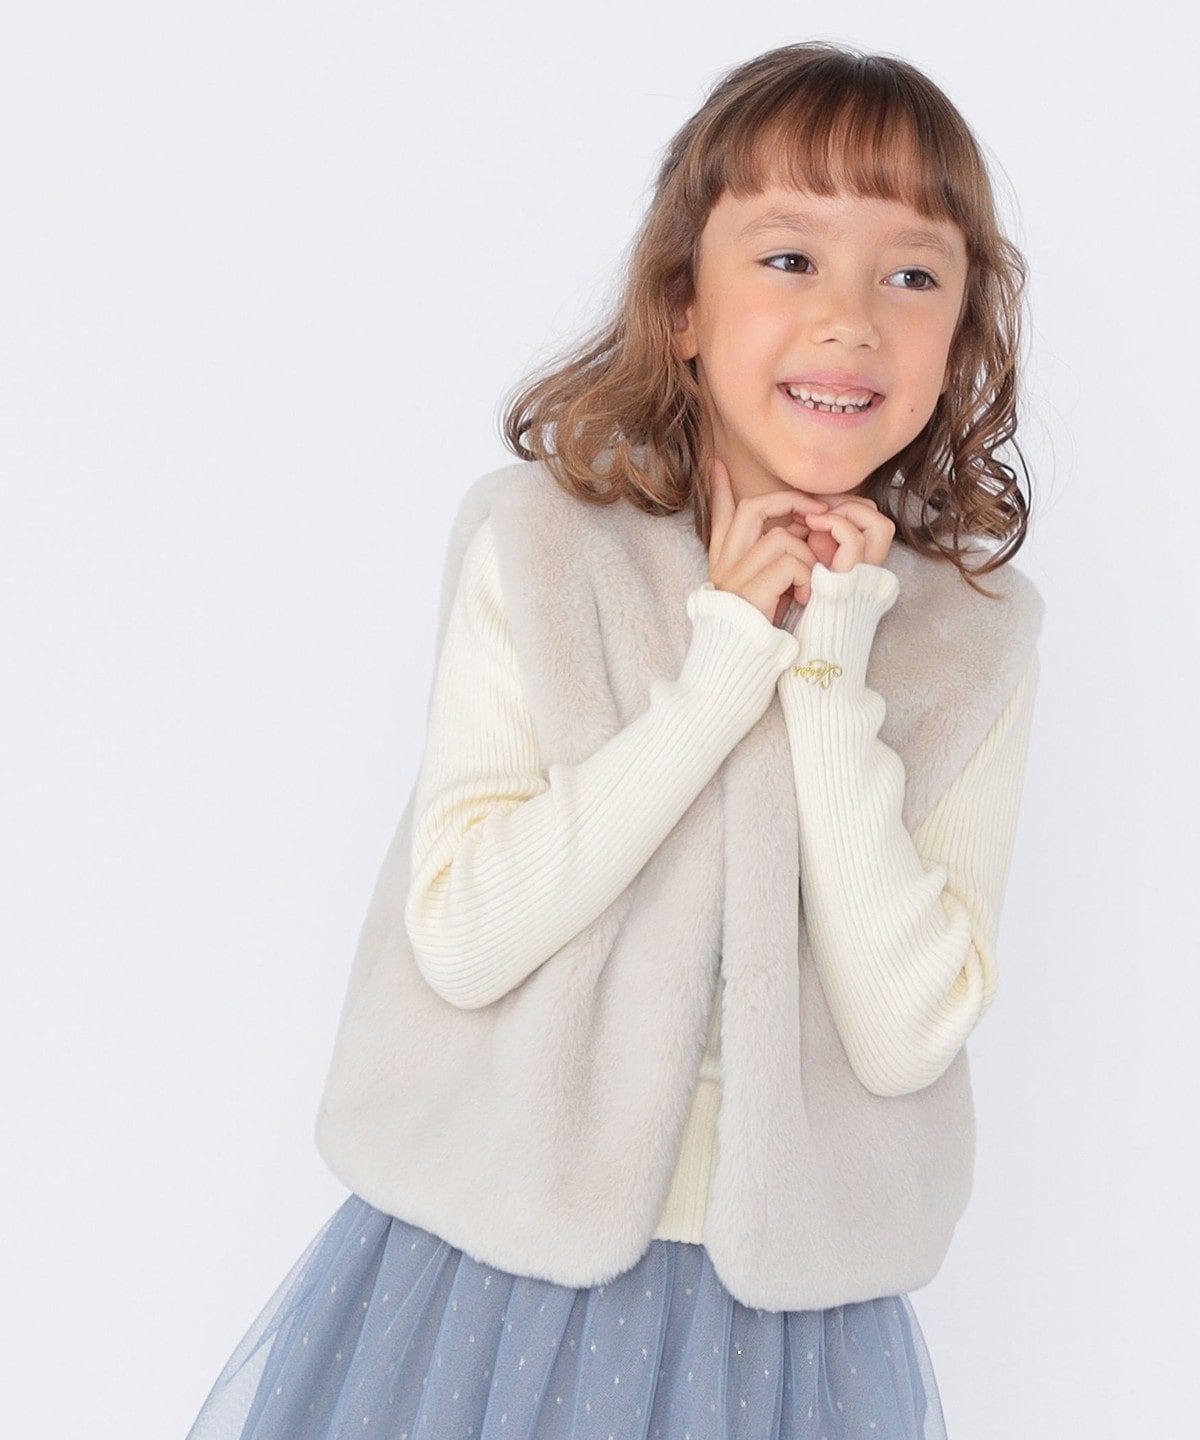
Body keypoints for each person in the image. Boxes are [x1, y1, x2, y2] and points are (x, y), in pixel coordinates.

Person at [187, 40, 1042, 1440]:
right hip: (488, 1284)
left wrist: (828, 661)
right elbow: (464, 933)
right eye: (789, 259)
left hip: (791, 1335)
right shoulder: (537, 547)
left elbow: (908, 1032)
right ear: (683, 304)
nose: (849, 320)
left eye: (911, 275)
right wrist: (725, 664)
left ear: (958, 340)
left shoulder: (975, 637)